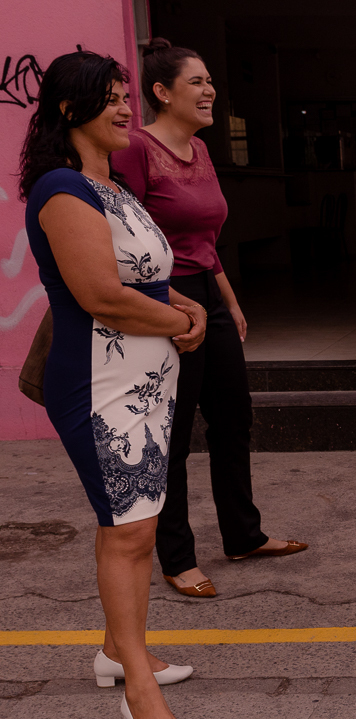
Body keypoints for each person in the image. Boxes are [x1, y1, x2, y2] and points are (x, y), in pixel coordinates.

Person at [20, 51, 208, 719]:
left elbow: (149, 279)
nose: (128, 108)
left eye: (128, 95)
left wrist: (183, 307)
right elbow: (100, 296)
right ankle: (137, 687)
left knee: (139, 522)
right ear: (71, 110)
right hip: (100, 386)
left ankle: (115, 650)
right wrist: (184, 325)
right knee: (125, 529)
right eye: (112, 98)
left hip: (148, 384)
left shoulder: (116, 187)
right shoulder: (63, 189)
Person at [111, 39, 306, 600]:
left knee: (233, 417)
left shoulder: (199, 152)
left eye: (210, 81)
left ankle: (244, 535)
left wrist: (229, 299)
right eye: (196, 82)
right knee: (171, 435)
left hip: (206, 293)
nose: (209, 91)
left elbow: (204, 242)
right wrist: (173, 302)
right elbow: (126, 241)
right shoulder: (136, 150)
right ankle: (177, 557)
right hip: (159, 298)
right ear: (161, 92)